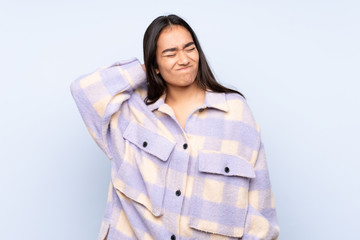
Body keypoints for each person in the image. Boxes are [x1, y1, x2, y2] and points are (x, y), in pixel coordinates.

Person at [71, 14, 280, 240]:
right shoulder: (131, 111)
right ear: (155, 63)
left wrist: (163, 62)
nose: (184, 59)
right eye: (170, 53)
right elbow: (83, 90)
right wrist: (147, 70)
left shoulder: (235, 112)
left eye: (189, 48)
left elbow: (261, 215)